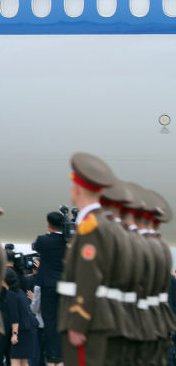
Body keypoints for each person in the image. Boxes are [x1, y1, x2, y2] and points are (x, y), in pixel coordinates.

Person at [57, 152, 117, 366]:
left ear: (77, 189)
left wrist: (79, 321)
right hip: (98, 316)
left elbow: (89, 276)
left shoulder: (90, 227)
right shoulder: (103, 223)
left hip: (87, 321)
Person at [32, 211, 66, 365]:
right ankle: (64, 353)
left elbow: (36, 245)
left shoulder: (43, 240)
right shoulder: (69, 240)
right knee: (64, 318)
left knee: (50, 320)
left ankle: (53, 355)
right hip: (66, 285)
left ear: (48, 224)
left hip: (48, 285)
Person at [4, 268, 38, 366]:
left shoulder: (10, 294)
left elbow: (15, 316)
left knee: (15, 359)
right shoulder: (19, 292)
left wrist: (14, 334)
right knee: (23, 361)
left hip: (22, 331)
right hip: (30, 329)